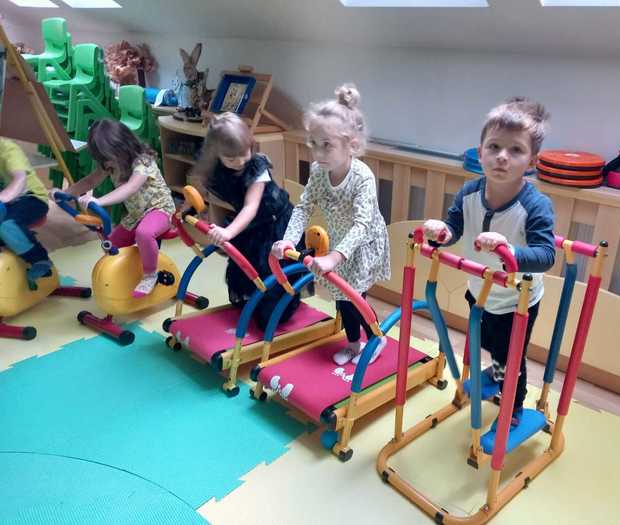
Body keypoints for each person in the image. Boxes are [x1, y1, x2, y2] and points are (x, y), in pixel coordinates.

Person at [423, 97, 556, 427]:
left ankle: (514, 407)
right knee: (490, 345)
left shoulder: (535, 205)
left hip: (517, 301)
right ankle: (497, 372)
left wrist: (509, 251)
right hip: (479, 290)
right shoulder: (468, 193)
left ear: (532, 162)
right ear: (480, 151)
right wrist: (441, 233)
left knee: (512, 359)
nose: (502, 156)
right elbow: (454, 227)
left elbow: (546, 254)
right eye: (494, 146)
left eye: (515, 150)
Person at [272, 84, 390, 366]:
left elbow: (362, 225)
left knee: (354, 296)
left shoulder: (362, 177)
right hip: (339, 241)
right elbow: (304, 207)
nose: (319, 152)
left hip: (364, 244)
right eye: (314, 144)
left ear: (352, 145)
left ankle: (376, 338)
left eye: (327, 145)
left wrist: (334, 257)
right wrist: (289, 239)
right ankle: (353, 343)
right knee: (340, 296)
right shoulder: (318, 171)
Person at [191, 112, 303, 329]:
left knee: (271, 272)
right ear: (216, 153)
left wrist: (228, 232)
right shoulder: (214, 165)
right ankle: (256, 302)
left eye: (244, 154)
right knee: (245, 268)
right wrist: (189, 205)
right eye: (231, 159)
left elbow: (251, 207)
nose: (240, 162)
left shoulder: (256, 167)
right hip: (252, 225)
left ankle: (280, 309)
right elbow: (200, 183)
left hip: (275, 223)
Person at [53, 119, 175, 297]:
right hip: (136, 214)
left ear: (123, 146)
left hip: (160, 209)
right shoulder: (110, 164)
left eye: (109, 156)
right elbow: (90, 181)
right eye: (103, 158)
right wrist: (65, 193)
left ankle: (150, 275)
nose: (107, 162)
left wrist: (99, 201)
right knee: (111, 245)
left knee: (144, 233)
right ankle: (129, 274)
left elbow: (130, 187)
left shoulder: (143, 162)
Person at [0, 138, 53, 282]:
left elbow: (20, 178)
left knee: (7, 225)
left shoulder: (8, 149)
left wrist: (3, 197)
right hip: (8, 202)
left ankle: (40, 260)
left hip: (32, 197)